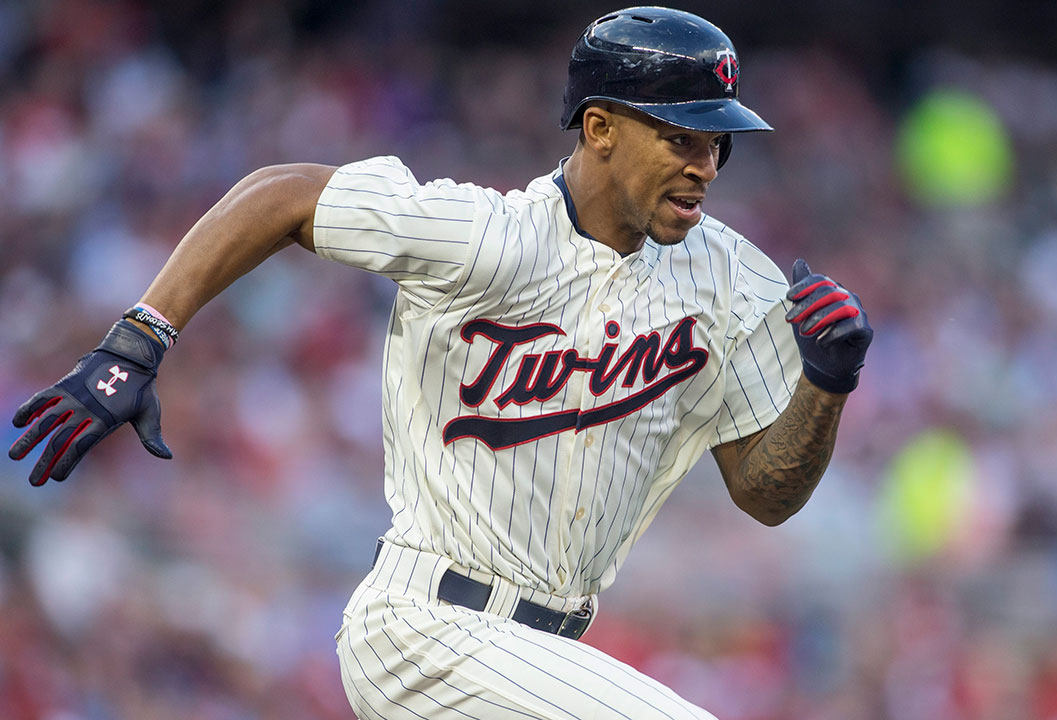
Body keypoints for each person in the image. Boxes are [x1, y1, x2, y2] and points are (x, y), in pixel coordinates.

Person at [9, 7, 872, 718]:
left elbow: (765, 494)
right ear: (601, 128)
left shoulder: (728, 279)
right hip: (422, 633)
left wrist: (825, 385)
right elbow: (281, 194)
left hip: (539, 661)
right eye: (682, 136)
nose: (706, 163)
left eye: (719, 142)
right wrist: (138, 340)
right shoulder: (485, 238)